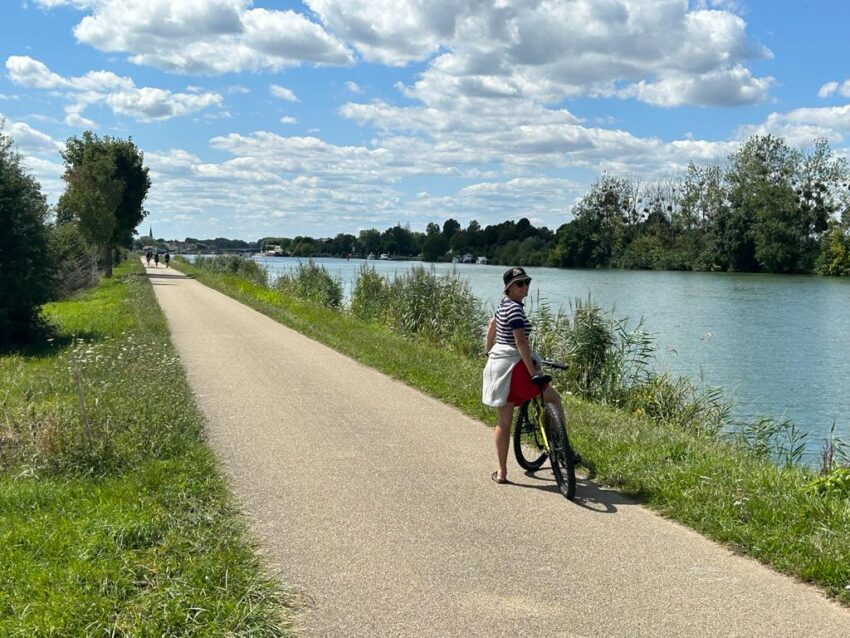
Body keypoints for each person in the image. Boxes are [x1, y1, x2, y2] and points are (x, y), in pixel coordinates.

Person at [482, 266, 569, 484]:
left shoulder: (503, 305)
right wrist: (533, 373)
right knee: (554, 398)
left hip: (498, 368)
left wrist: (488, 350)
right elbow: (521, 342)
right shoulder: (515, 310)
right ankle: (562, 447)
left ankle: (502, 473)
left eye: (527, 281)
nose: (525, 286)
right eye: (519, 283)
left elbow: (491, 325)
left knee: (503, 421)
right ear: (509, 288)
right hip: (516, 370)